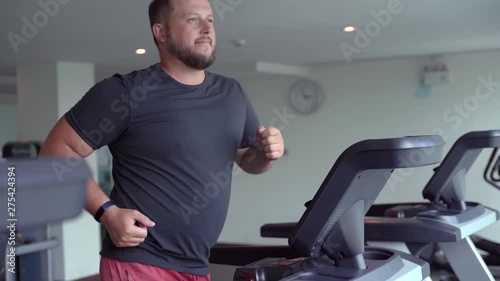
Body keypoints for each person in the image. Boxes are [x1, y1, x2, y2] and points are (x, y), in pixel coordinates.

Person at [39, 0, 285, 280]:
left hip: (198, 265)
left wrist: (266, 155)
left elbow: (248, 160)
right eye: (193, 20)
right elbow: (55, 151)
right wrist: (106, 212)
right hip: (141, 262)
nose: (207, 29)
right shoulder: (125, 93)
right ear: (161, 32)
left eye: (210, 20)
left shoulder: (232, 94)